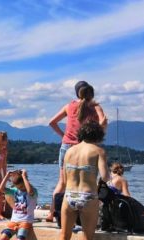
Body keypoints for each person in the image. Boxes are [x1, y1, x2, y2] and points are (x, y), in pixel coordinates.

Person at [47, 81, 107, 222]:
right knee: (84, 182)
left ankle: (52, 213)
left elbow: (52, 122)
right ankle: (81, 213)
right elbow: (103, 121)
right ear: (91, 92)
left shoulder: (69, 106)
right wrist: (98, 135)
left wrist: (64, 136)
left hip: (67, 146)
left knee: (62, 183)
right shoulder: (94, 106)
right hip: (85, 148)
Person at [59, 122, 109, 240]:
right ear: (98, 135)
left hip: (69, 195)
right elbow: (105, 177)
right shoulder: (98, 151)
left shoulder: (69, 151)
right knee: (87, 237)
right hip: (88, 196)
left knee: (64, 236)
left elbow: (65, 180)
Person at [0, 170, 37, 240]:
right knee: (3, 238)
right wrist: (7, 176)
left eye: (22, 186)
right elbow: (1, 189)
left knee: (20, 238)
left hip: (25, 222)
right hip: (14, 221)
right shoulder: (15, 190)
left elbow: (30, 191)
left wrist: (24, 176)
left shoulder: (33, 191)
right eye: (18, 187)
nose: (20, 188)